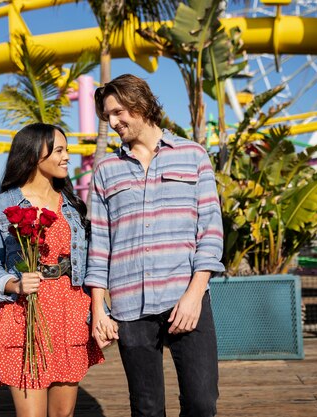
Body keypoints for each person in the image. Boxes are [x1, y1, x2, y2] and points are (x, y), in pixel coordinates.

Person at [86, 74, 225, 417]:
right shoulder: (106, 170)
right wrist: (97, 310)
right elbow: (99, 243)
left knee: (202, 402)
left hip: (185, 297)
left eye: (118, 112)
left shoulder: (193, 156)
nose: (113, 122)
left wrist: (194, 296)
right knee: (146, 408)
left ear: (141, 103)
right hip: (129, 304)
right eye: (108, 117)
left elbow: (210, 231)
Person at [0, 123, 104, 417]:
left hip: (70, 313)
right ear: (36, 154)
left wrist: (101, 313)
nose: (66, 157)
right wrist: (14, 284)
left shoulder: (73, 207)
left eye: (66, 150)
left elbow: (89, 266)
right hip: (25, 316)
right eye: (59, 150)